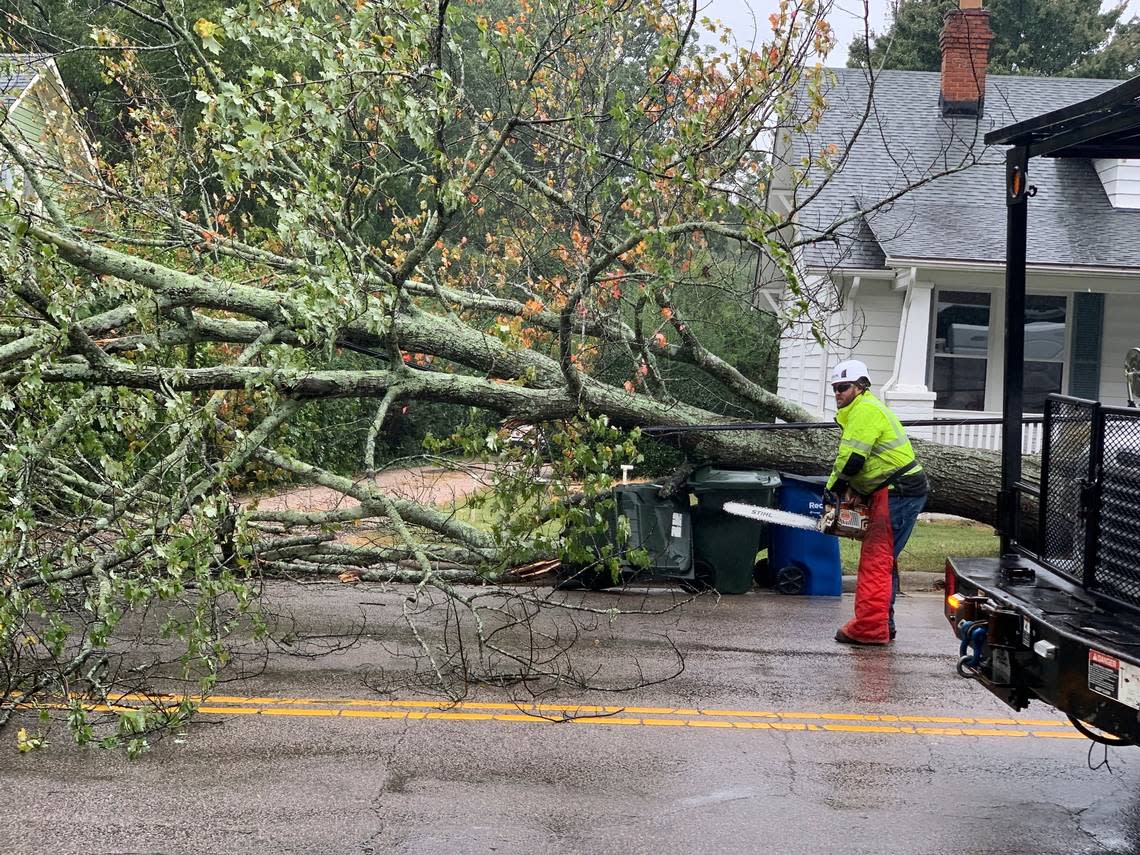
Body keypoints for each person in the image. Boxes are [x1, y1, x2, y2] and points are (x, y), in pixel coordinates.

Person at [825, 359, 928, 645]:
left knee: (876, 560)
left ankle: (870, 629)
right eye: (834, 388)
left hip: (899, 490)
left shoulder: (865, 410)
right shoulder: (860, 410)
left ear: (860, 387)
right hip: (891, 489)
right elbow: (865, 461)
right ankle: (885, 623)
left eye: (843, 387)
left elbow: (853, 459)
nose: (838, 393)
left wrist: (833, 489)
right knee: (883, 559)